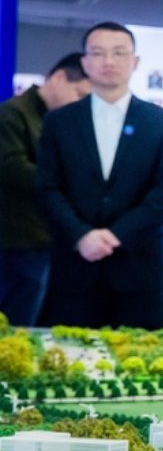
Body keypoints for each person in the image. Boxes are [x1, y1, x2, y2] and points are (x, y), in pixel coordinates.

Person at [36, 22, 163, 330]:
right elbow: (48, 188)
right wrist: (82, 235)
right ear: (85, 62)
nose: (109, 61)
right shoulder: (59, 122)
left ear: (135, 61)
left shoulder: (162, 123)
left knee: (143, 358)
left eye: (119, 53)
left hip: (140, 273)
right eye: (98, 53)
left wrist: (116, 236)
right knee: (71, 356)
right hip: (75, 270)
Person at [0, 53, 89, 325]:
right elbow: (11, 169)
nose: (82, 105)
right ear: (59, 77)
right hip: (17, 240)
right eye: (80, 95)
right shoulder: (13, 114)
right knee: (16, 326)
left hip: (40, 239)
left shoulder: (53, 120)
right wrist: (61, 182)